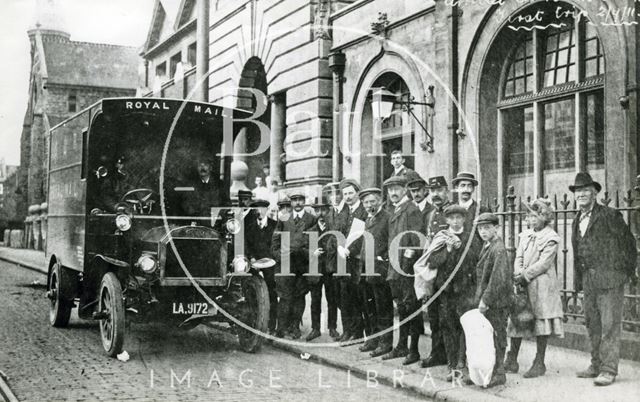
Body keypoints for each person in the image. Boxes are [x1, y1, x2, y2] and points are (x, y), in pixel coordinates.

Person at [570, 172, 636, 386]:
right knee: (593, 323)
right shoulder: (576, 220)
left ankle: (609, 369)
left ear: (595, 193)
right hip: (588, 280)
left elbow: (628, 245)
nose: (581, 194)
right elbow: (577, 251)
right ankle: (596, 364)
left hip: (610, 280)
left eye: (585, 190)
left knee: (609, 325)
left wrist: (624, 273)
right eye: (577, 191)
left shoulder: (609, 215)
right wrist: (578, 282)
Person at [504, 199, 565, 379]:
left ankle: (539, 361)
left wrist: (525, 275)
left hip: (542, 285)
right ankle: (512, 359)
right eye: (528, 215)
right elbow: (519, 256)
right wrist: (517, 273)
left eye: (534, 216)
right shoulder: (525, 235)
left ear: (545, 217)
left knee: (541, 321)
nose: (530, 219)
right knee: (518, 318)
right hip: (523, 284)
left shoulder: (551, 237)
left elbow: (544, 263)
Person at [426, 205, 482, 381]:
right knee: (448, 326)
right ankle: (452, 364)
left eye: (459, 218)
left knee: (465, 327)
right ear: (447, 220)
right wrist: (448, 251)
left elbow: (477, 258)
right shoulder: (441, 237)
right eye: (452, 218)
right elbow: (432, 260)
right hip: (447, 290)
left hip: (466, 289)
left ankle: (462, 362)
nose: (456, 221)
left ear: (464, 219)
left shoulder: (471, 237)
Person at [382, 175, 423, 365]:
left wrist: (405, 268)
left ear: (405, 189)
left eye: (396, 189)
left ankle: (413, 350)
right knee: (402, 308)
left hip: (406, 269)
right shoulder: (395, 210)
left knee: (411, 308)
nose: (393, 193)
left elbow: (415, 242)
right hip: (394, 267)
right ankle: (401, 346)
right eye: (390, 190)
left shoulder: (412, 210)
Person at [473, 212, 513, 387]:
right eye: (480, 228)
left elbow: (498, 279)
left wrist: (485, 300)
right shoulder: (488, 246)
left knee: (498, 336)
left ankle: (499, 373)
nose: (483, 231)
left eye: (487, 228)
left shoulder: (498, 249)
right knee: (489, 337)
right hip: (490, 300)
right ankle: (490, 372)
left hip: (497, 302)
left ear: (496, 228)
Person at [271, 192, 316, 339]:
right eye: (294, 200)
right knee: (284, 297)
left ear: (304, 201)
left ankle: (295, 327)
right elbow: (275, 243)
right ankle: (281, 328)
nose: (297, 203)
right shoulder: (283, 219)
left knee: (299, 296)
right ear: (291, 203)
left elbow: (313, 243)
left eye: (300, 200)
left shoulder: (311, 220)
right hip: (285, 265)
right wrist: (280, 256)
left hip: (302, 265)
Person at [358, 188, 394, 358]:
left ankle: (385, 343)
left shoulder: (387, 218)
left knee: (383, 308)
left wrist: (383, 259)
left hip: (380, 270)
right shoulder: (368, 218)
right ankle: (373, 339)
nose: (369, 205)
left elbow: (392, 242)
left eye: (372, 201)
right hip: (366, 270)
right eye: (366, 202)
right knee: (369, 307)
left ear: (380, 200)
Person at [420, 176, 451, 369]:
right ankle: (436, 352)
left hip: (447, 271)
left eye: (439, 190)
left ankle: (450, 354)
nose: (435, 194)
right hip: (433, 273)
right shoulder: (431, 215)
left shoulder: (453, 212)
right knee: (434, 315)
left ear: (447, 191)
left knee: (447, 316)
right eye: (432, 191)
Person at [335, 178, 370, 343]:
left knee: (358, 298)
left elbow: (362, 236)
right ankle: (347, 330)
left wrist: (350, 249)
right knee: (344, 297)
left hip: (357, 262)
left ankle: (357, 332)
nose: (348, 197)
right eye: (345, 194)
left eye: (351, 193)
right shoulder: (343, 212)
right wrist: (338, 247)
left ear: (357, 193)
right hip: (343, 260)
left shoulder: (363, 211)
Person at [306, 197, 339, 341]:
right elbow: (303, 248)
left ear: (328, 210)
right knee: (315, 300)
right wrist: (311, 253)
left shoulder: (334, 229)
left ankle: (332, 328)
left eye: (323, 210)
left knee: (332, 300)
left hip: (330, 270)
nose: (321, 213)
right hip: (315, 270)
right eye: (317, 210)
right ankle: (315, 329)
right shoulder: (311, 230)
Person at [244, 199, 278, 334]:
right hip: (253, 263)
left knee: (271, 292)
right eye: (256, 210)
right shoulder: (249, 226)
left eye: (262, 209)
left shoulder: (274, 225)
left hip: (270, 263)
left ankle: (271, 325)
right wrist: (251, 258)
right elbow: (246, 244)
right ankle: (255, 323)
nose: (259, 212)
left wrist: (271, 260)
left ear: (266, 210)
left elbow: (276, 245)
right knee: (252, 291)